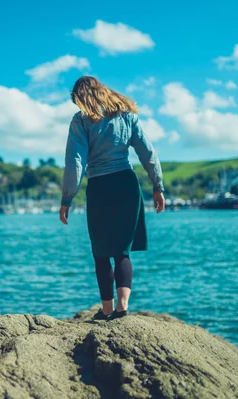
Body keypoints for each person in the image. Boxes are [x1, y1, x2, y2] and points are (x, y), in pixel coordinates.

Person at [60, 76, 165, 321]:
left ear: (81, 98)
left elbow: (75, 162)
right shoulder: (127, 116)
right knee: (122, 252)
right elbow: (148, 153)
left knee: (101, 252)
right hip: (127, 185)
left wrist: (67, 199)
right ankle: (123, 307)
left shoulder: (80, 121)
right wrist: (158, 186)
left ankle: (107, 310)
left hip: (100, 187)